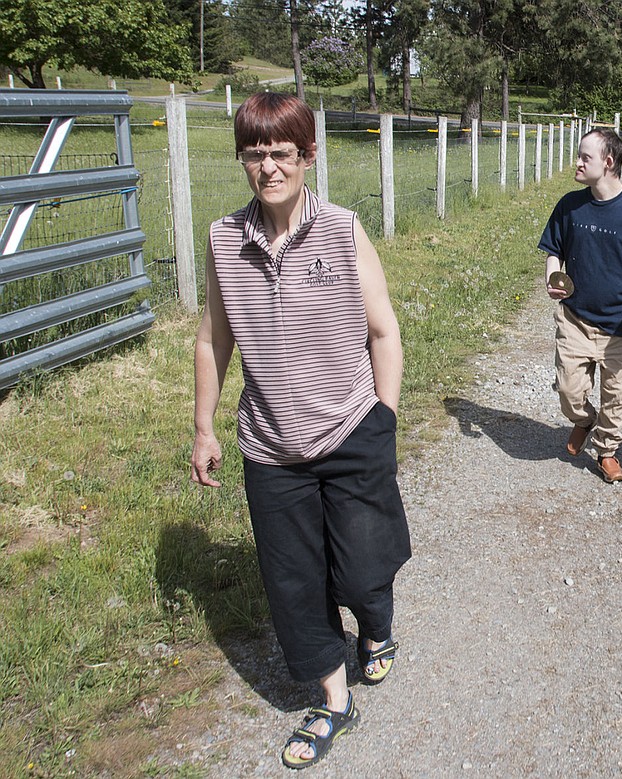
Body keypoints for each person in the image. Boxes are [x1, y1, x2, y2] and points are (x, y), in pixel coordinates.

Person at [189, 92, 411, 770]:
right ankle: (333, 698)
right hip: (269, 447)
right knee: (292, 579)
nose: (267, 167)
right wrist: (204, 426)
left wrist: (384, 418)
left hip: (350, 430)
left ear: (307, 155)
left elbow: (384, 331)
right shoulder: (224, 240)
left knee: (365, 565)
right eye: (254, 154)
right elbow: (212, 339)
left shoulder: (342, 229)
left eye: (280, 153)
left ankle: (375, 624)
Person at [539, 128, 622, 483]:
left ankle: (607, 451)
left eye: (585, 157)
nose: (578, 162)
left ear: (608, 162)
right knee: (569, 391)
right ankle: (584, 420)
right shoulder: (570, 205)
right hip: (575, 318)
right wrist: (553, 276)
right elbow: (553, 250)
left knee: (616, 399)